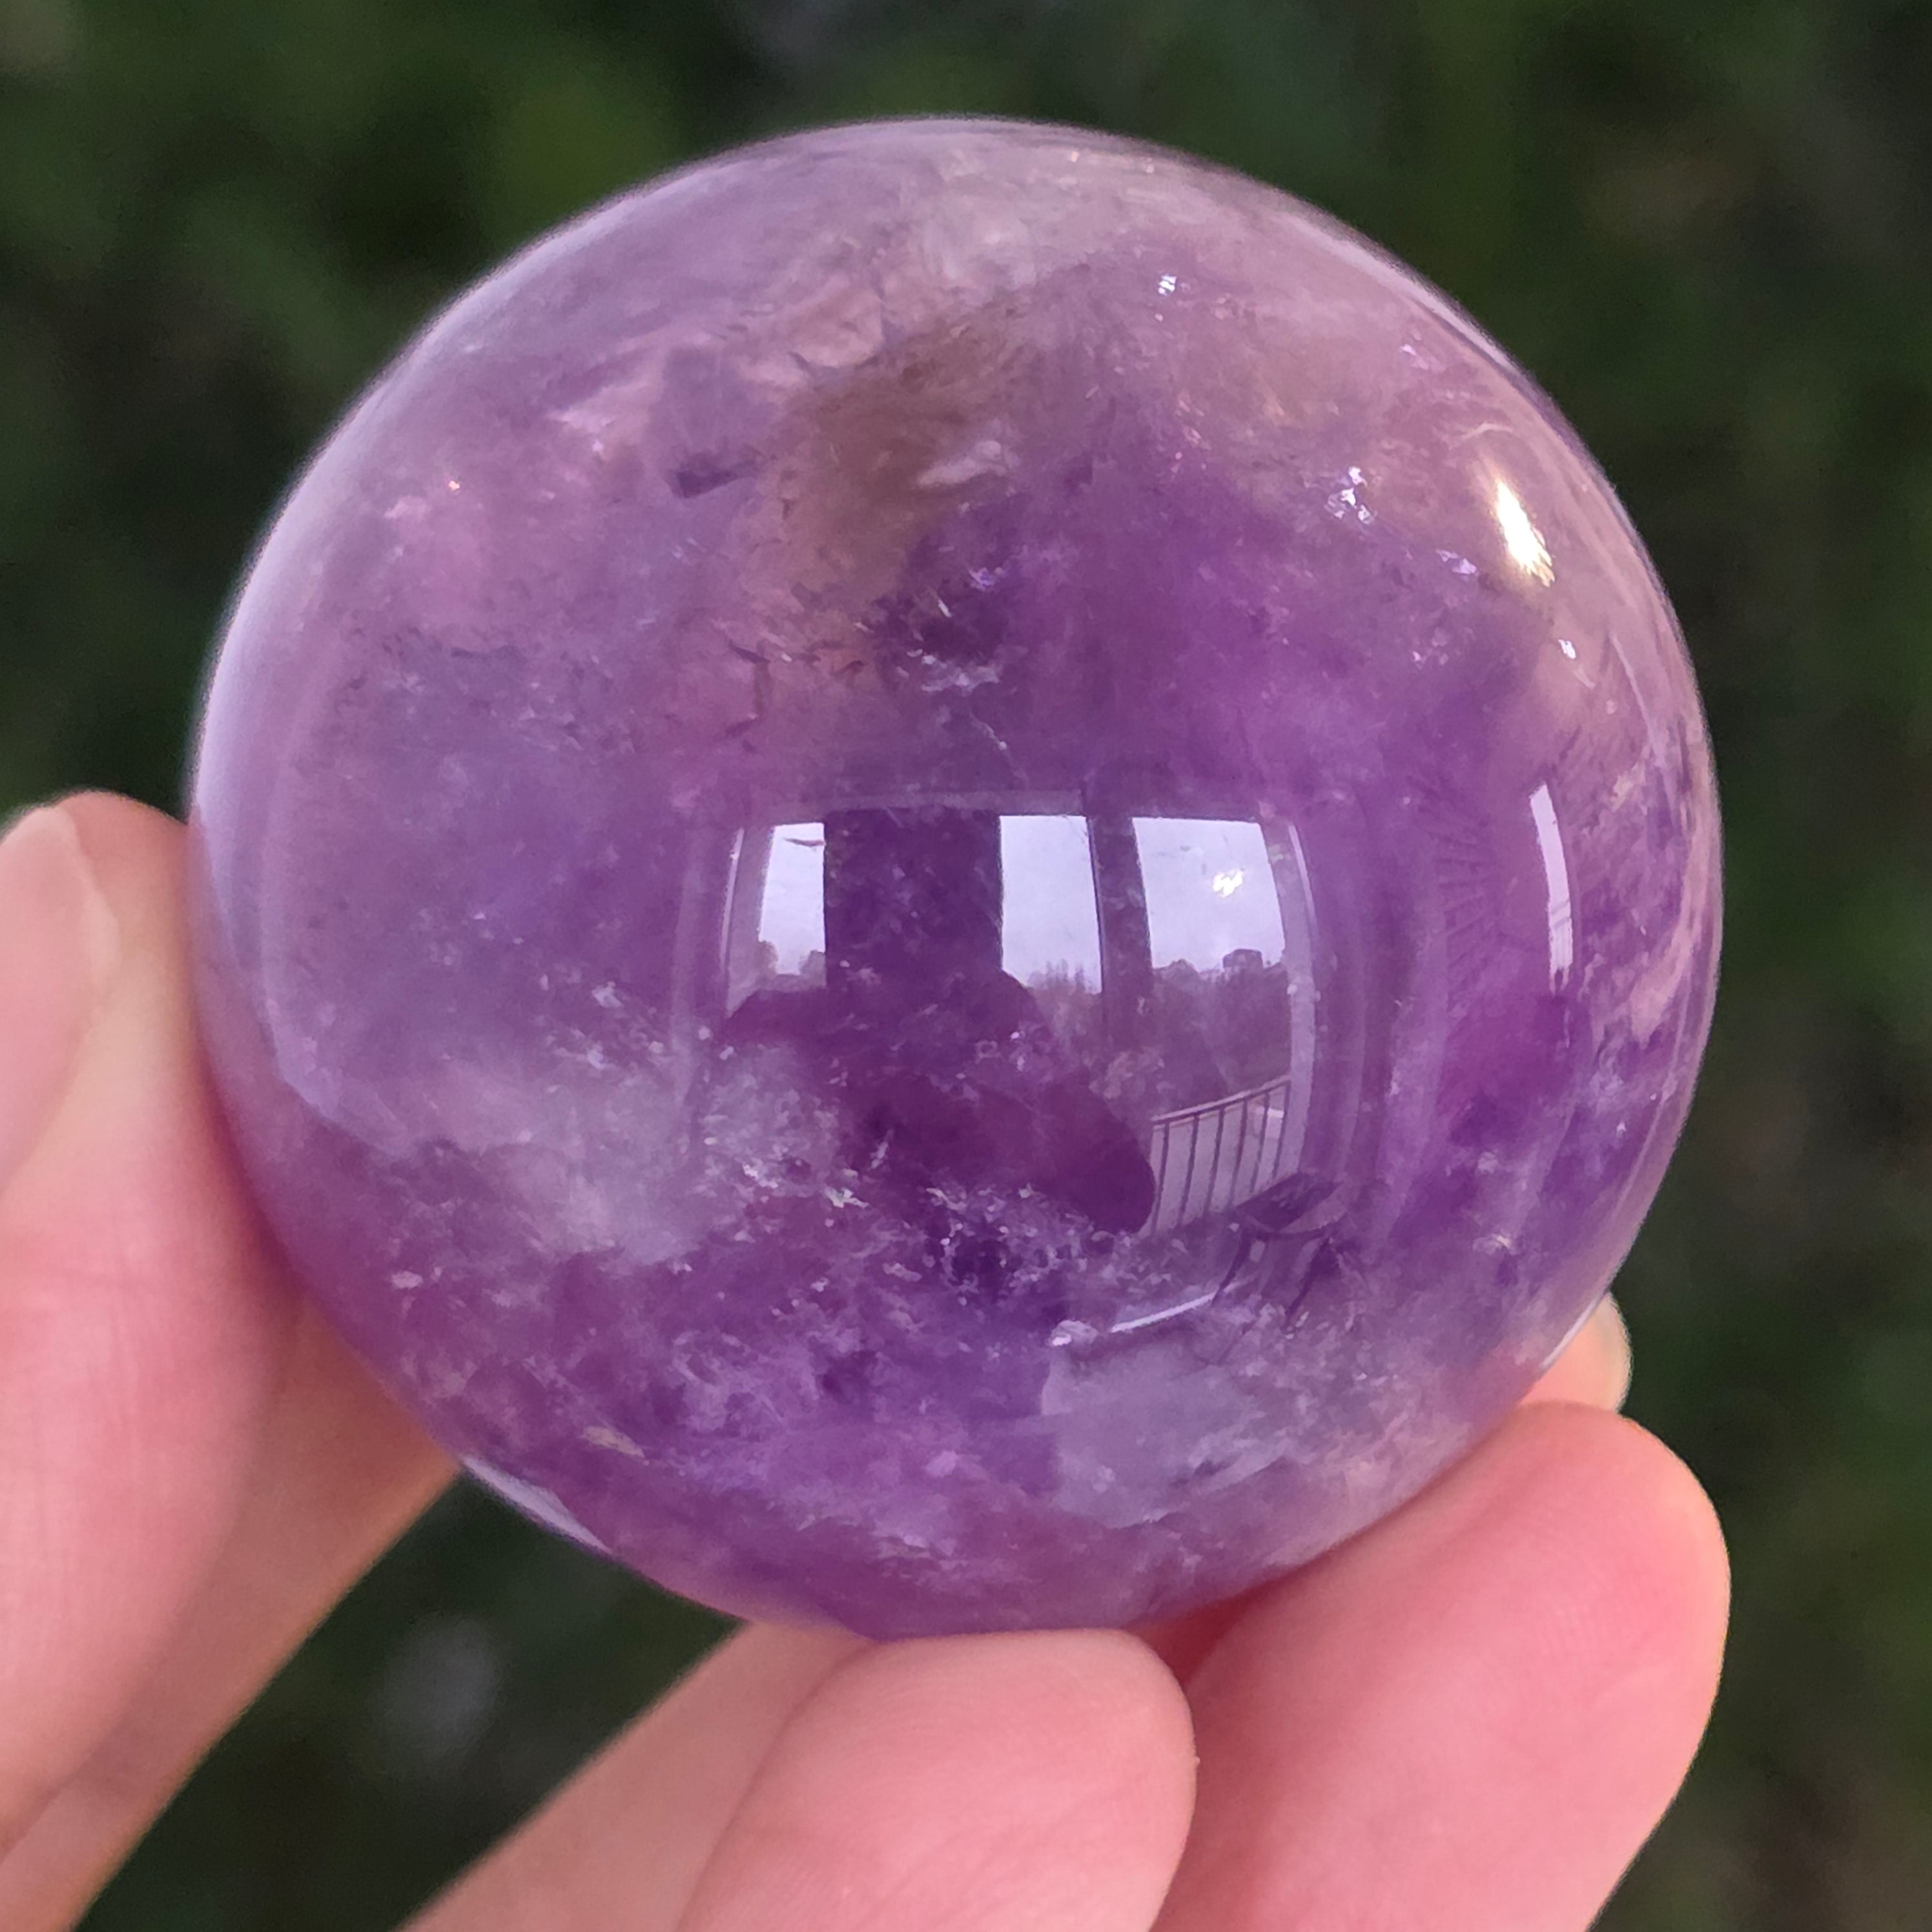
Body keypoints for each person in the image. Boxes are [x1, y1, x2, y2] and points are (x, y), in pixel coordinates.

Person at [0, 795, 1729, 1931]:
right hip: (843, 1410)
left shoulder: (1042, 1078)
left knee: (1033, 1701)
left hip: (1016, 1423)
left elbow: (1111, 1190)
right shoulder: (770, 1035)